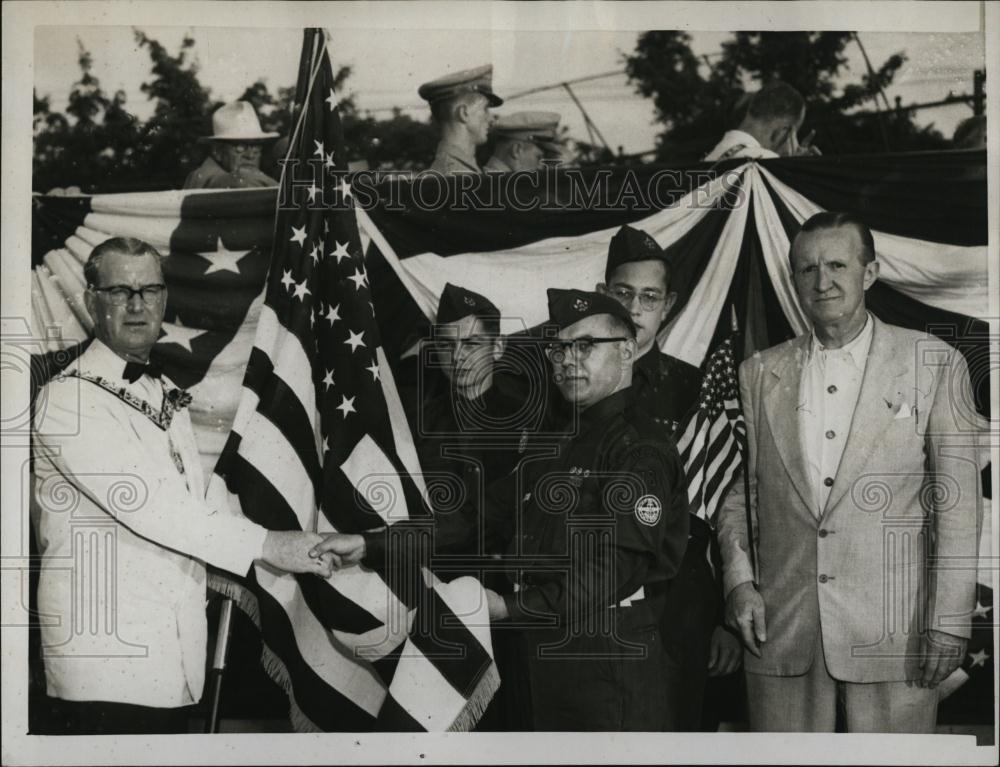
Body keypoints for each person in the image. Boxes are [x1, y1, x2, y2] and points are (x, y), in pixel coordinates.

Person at [314, 289, 689, 731]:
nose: (568, 360)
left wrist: (507, 608)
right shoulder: (556, 443)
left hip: (604, 656)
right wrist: (368, 544)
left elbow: (610, 572)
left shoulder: (640, 449)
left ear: (627, 351)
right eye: (559, 348)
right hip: (539, 657)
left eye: (585, 345)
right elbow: (474, 518)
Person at [31, 237, 331, 734]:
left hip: (174, 657)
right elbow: (153, 507)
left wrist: (306, 539)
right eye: (119, 290)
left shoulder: (163, 391)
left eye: (149, 290)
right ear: (90, 300)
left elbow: (197, 503)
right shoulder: (68, 401)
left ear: (165, 300)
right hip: (106, 662)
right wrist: (270, 545)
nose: (136, 304)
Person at [716, 211, 980, 733]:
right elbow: (740, 496)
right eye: (807, 269)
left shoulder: (935, 362)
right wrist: (738, 582)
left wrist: (949, 622)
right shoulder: (759, 373)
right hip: (781, 633)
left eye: (838, 264)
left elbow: (959, 505)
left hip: (895, 636)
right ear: (793, 279)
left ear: (870, 272)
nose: (823, 281)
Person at [598, 223, 739, 730]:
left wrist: (727, 620)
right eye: (623, 293)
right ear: (602, 294)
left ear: (669, 304)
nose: (635, 309)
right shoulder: (569, 380)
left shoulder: (692, 387)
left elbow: (728, 506)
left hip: (676, 613)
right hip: (587, 609)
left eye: (649, 297)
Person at [418, 64, 503, 174]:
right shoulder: (455, 174)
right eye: (485, 109)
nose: (491, 119)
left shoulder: (458, 169)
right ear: (464, 113)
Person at [704, 80, 819, 162]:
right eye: (795, 135)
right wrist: (798, 170)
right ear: (782, 133)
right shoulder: (768, 166)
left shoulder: (709, 157)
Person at [183, 101, 280, 189]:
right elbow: (241, 179)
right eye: (240, 147)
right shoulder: (206, 175)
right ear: (217, 151)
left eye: (256, 148)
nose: (250, 156)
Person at [483, 111, 563, 172]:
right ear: (517, 150)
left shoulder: (496, 181)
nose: (541, 167)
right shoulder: (500, 187)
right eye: (538, 158)